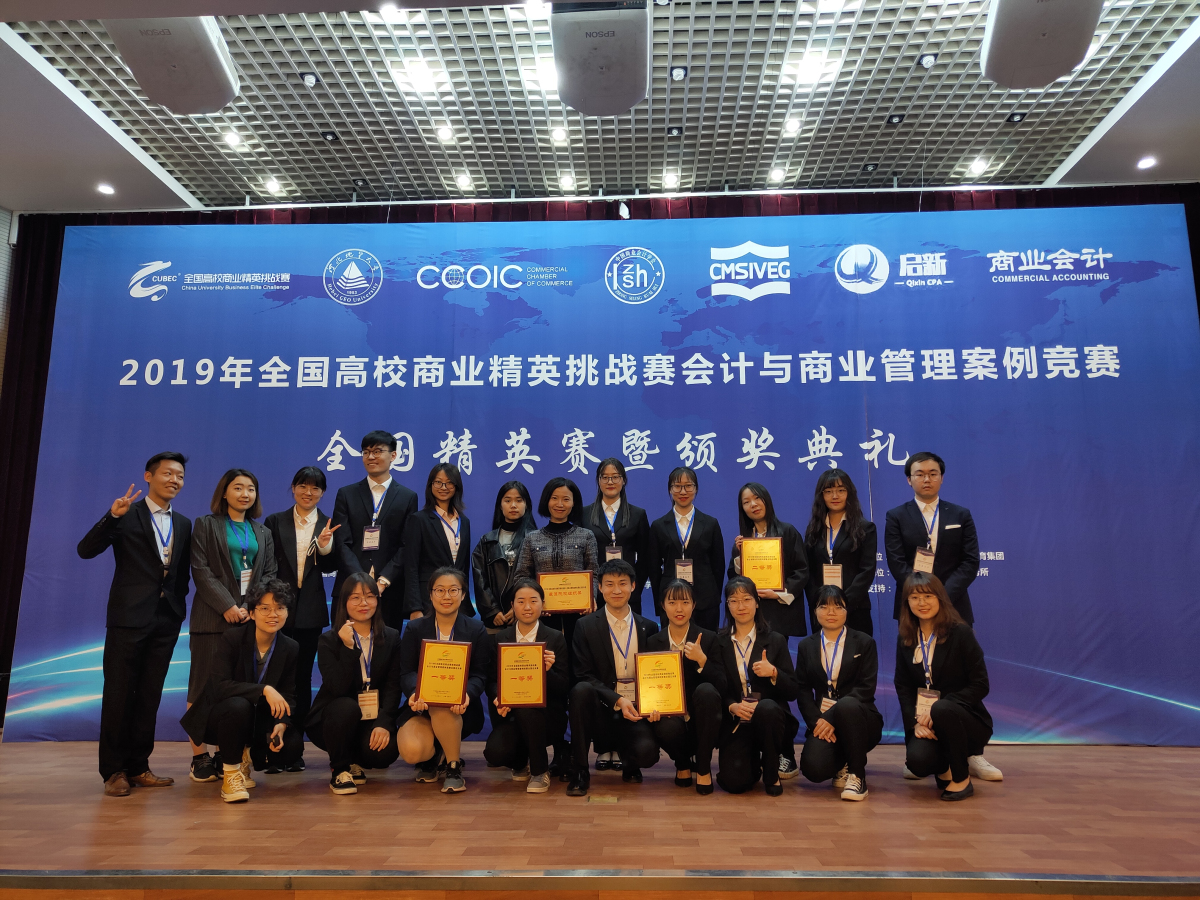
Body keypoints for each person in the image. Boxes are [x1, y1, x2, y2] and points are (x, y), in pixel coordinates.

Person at [77, 451, 191, 797]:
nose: (174, 480)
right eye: (168, 473)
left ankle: (139, 766)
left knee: (149, 695)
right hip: (128, 619)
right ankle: (114, 771)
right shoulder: (127, 514)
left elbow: (180, 572)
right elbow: (86, 549)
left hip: (166, 619)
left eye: (180, 476)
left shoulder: (183, 523)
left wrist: (177, 606)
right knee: (119, 694)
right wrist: (112, 516)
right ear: (148, 476)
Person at [884, 452, 1001, 782]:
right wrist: (921, 595)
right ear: (909, 479)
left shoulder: (959, 514)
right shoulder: (897, 516)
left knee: (959, 678)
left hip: (954, 607)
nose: (927, 478)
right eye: (919, 473)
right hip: (913, 609)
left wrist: (941, 596)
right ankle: (920, 742)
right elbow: (896, 561)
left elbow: (970, 561)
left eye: (933, 473)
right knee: (916, 678)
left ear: (942, 477)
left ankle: (973, 752)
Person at [188, 468, 277, 783]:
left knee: (235, 691)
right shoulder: (206, 524)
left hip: (248, 621)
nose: (245, 494)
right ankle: (199, 757)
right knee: (202, 686)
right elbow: (201, 569)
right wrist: (226, 605)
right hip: (213, 619)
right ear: (224, 492)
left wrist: (251, 607)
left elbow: (268, 573)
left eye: (250, 489)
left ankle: (226, 755)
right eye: (238, 488)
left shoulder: (262, 532)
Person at [179, 580, 302, 802]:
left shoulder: (290, 647)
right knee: (238, 706)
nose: (273, 614)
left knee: (292, 748)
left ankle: (246, 756)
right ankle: (231, 775)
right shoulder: (232, 638)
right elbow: (220, 685)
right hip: (222, 714)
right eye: (265, 608)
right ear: (252, 613)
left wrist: (281, 723)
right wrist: (264, 689)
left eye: (280, 608)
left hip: (257, 718)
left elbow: (289, 694)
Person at [262, 466, 340, 773]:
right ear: (293, 488)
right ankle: (271, 747)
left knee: (302, 678)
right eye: (303, 486)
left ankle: (294, 748)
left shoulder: (327, 523)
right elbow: (268, 564)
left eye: (315, 488)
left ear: (322, 493)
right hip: (276, 611)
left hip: (310, 612)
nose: (308, 492)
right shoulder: (275, 521)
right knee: (272, 678)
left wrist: (325, 545)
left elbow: (330, 567)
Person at [894, 573, 995, 801]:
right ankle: (945, 767)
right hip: (926, 721)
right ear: (907, 603)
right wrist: (914, 723)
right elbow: (903, 685)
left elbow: (981, 684)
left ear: (940, 598)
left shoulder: (960, 633)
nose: (922, 603)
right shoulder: (906, 638)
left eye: (928, 596)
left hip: (965, 720)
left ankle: (962, 779)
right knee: (918, 762)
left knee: (941, 708)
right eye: (915, 597)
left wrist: (940, 708)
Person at [566, 559, 662, 797]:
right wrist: (617, 699)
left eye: (622, 583)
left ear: (633, 586)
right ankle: (580, 772)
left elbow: (654, 674)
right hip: (601, 707)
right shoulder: (585, 626)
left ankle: (630, 761)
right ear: (600, 588)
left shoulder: (649, 627)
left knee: (647, 754)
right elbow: (582, 674)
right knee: (580, 690)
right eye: (609, 584)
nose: (616, 590)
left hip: (635, 710)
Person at [396, 568, 492, 793]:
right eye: (439, 590)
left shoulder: (476, 629)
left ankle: (453, 767)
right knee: (412, 752)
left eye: (453, 590)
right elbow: (406, 672)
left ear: (463, 594)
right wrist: (415, 693)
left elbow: (480, 675)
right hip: (422, 704)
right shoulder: (415, 628)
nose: (446, 596)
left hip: (461, 706)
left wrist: (466, 694)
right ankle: (436, 754)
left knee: (443, 707)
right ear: (430, 595)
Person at [306, 573, 403, 795]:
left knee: (384, 754)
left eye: (369, 596)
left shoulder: (391, 637)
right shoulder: (329, 640)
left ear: (377, 600)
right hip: (332, 719)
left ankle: (353, 760)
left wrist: (384, 722)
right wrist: (348, 648)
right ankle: (340, 770)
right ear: (344, 602)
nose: (363, 603)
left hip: (369, 715)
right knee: (347, 707)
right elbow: (337, 688)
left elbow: (393, 685)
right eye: (356, 597)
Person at [794, 585, 883, 801]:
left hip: (861, 718)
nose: (831, 612)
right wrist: (816, 722)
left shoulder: (864, 642)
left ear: (847, 610)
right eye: (824, 606)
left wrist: (832, 715)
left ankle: (857, 776)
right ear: (815, 611)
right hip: (823, 721)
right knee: (814, 769)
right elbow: (803, 688)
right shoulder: (806, 646)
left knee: (848, 704)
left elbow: (866, 688)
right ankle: (843, 760)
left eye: (838, 607)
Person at [484, 578, 570, 793]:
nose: (527, 607)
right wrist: (498, 697)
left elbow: (564, 687)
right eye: (521, 601)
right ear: (512, 605)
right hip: (512, 715)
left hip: (547, 717)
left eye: (533, 601)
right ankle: (520, 762)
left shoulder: (555, 638)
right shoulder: (501, 638)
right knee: (495, 753)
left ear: (543, 604)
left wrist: (547, 671)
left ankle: (540, 771)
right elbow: (491, 681)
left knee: (529, 708)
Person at [714, 576, 798, 796]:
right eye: (734, 601)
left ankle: (771, 772)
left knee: (767, 707)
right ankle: (751, 764)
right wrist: (732, 706)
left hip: (770, 719)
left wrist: (774, 673)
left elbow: (792, 690)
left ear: (757, 602)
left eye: (746, 599)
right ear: (727, 605)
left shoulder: (776, 640)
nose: (741, 606)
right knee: (734, 783)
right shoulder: (719, 642)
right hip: (738, 719)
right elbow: (717, 687)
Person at [645, 579, 725, 794]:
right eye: (672, 602)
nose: (679, 609)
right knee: (663, 724)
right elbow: (649, 684)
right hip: (672, 716)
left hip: (702, 717)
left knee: (707, 692)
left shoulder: (709, 638)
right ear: (663, 606)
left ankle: (703, 768)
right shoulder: (653, 642)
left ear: (694, 604)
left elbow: (722, 684)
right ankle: (682, 764)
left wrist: (702, 660)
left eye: (685, 602)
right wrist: (651, 705)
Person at [331, 430, 419, 628]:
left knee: (386, 644)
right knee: (345, 644)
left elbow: (406, 545)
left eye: (377, 451)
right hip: (350, 589)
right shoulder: (346, 494)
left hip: (389, 591)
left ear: (393, 455)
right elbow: (342, 542)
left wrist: (383, 581)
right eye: (366, 452)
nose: (371, 457)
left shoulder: (407, 497)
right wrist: (361, 581)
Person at [648, 467, 726, 631]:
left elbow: (718, 566)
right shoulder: (659, 526)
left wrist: (714, 598)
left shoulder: (710, 524)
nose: (683, 491)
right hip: (671, 601)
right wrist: (660, 603)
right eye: (677, 486)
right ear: (670, 489)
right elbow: (653, 569)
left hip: (705, 601)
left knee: (706, 644)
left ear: (696, 489)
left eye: (688, 486)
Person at [728, 482, 808, 636]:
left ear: (767, 499)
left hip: (779, 612)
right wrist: (739, 556)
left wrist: (779, 593)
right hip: (750, 613)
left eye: (757, 498)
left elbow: (802, 571)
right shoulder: (742, 541)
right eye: (746, 502)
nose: (753, 504)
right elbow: (733, 579)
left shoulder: (787, 532)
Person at [803, 469, 877, 636]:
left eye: (841, 490)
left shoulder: (865, 528)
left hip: (855, 608)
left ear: (849, 493)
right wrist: (820, 603)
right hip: (822, 611)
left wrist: (842, 603)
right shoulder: (813, 530)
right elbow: (808, 571)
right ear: (821, 496)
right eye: (828, 491)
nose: (835, 496)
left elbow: (867, 571)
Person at [581, 458, 651, 614]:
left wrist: (633, 586)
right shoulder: (584, 514)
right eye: (605, 477)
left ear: (623, 480)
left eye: (615, 477)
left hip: (627, 593)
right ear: (598, 481)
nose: (610, 482)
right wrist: (589, 591)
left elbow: (646, 558)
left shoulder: (637, 514)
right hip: (595, 596)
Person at [404, 463, 473, 618]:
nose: (443, 487)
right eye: (438, 482)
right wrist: (414, 607)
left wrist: (464, 601)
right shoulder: (419, 519)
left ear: (456, 486)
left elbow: (463, 567)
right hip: (428, 600)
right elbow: (411, 567)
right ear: (430, 485)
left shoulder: (464, 522)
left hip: (457, 601)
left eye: (449, 483)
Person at [472, 481, 537, 632]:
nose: (513, 505)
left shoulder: (536, 539)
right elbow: (479, 579)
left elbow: (537, 578)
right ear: (500, 506)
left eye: (519, 500)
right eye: (507, 501)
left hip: (527, 617)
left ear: (526, 505)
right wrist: (492, 611)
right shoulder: (487, 541)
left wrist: (519, 607)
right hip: (496, 620)